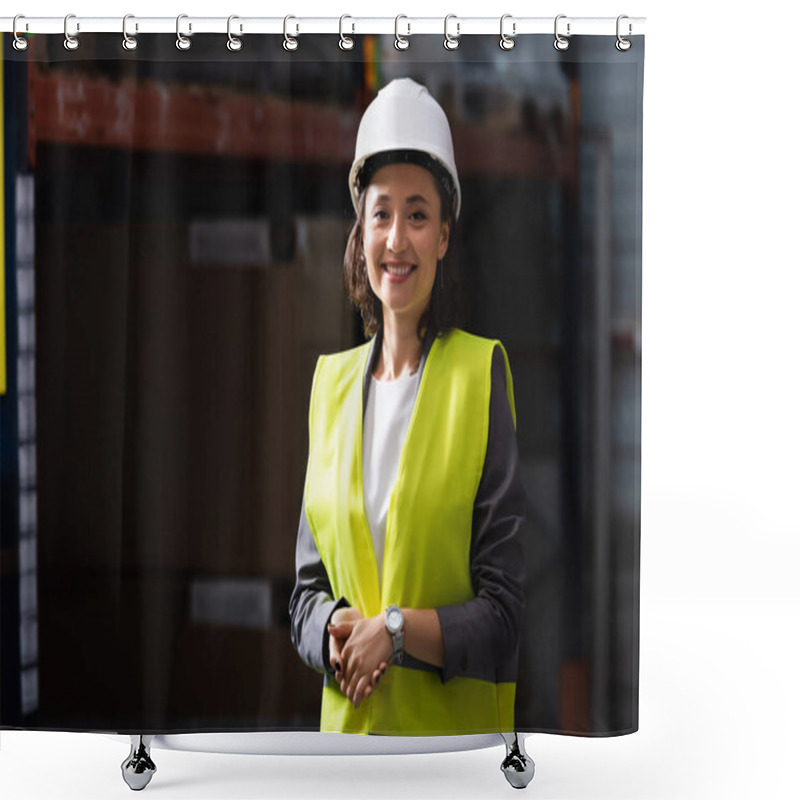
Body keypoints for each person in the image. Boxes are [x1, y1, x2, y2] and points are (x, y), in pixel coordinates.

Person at [288, 77, 526, 736]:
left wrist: (393, 632)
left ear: (444, 236)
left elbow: (504, 618)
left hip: (450, 763)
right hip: (346, 761)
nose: (396, 239)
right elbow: (304, 597)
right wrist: (335, 629)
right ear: (360, 229)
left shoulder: (480, 377)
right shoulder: (328, 388)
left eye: (417, 215)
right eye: (382, 212)